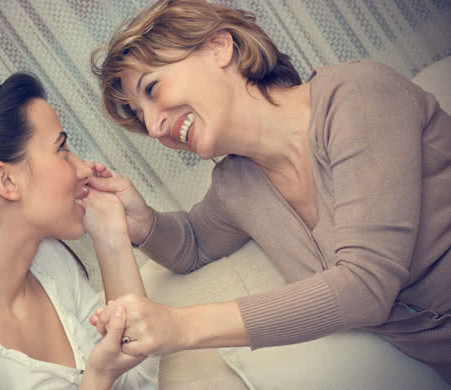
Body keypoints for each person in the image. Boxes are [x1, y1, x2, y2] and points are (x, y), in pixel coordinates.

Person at [88, 0, 451, 383]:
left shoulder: (357, 96)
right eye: (142, 119)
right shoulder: (238, 185)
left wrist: (181, 327)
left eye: (152, 88)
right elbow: (193, 244)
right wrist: (143, 224)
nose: (156, 126)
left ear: (218, 47)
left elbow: (365, 286)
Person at [0, 73, 158, 389]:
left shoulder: (49, 262)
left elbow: (139, 379)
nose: (85, 168)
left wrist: (111, 236)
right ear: (7, 181)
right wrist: (99, 377)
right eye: (62, 148)